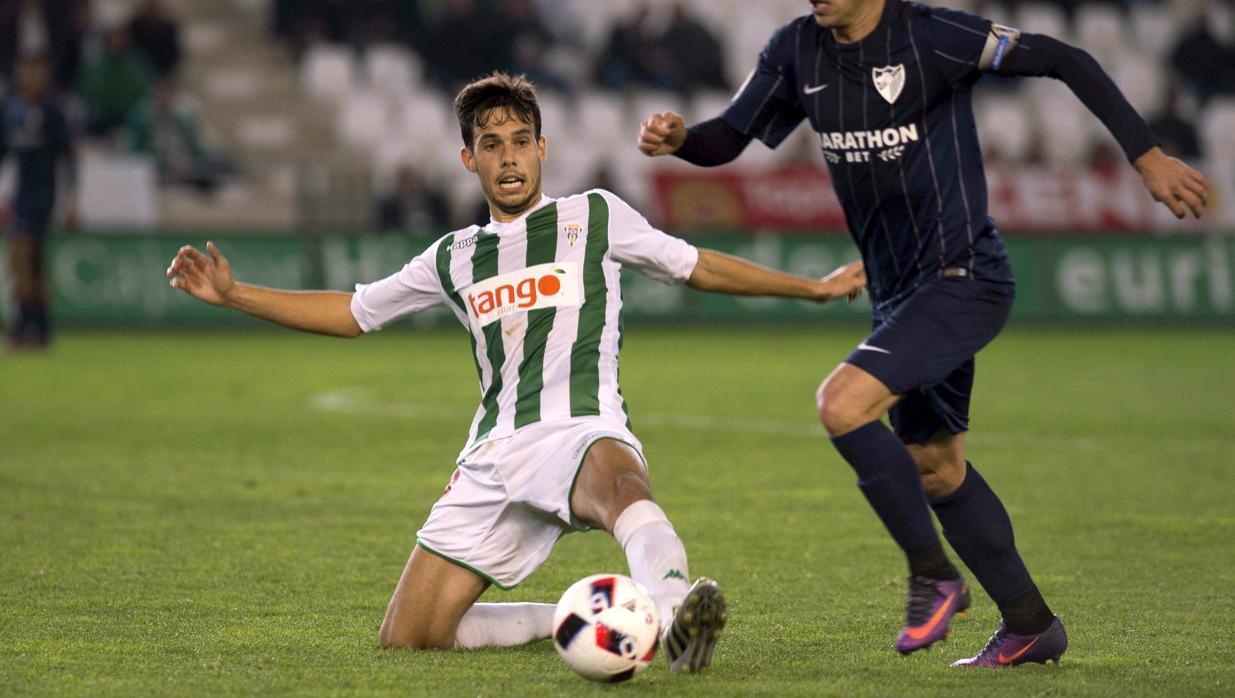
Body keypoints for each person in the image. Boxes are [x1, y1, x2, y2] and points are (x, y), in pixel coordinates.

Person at [166, 72, 867, 673]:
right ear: (468, 159)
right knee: (410, 639)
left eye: (520, 142)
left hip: (581, 425)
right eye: (491, 145)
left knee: (622, 486)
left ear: (542, 150)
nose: (508, 158)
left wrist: (810, 287)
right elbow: (352, 312)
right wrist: (234, 294)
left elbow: (698, 265)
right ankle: (569, 618)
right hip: (494, 454)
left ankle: (674, 612)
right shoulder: (452, 256)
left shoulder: (592, 217)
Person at [637, 0, 1209, 668]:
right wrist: (681, 141)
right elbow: (729, 137)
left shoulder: (933, 36)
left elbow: (1064, 57)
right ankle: (1030, 624)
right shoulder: (797, 50)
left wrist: (1145, 155)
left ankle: (932, 576)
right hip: (897, 293)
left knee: (841, 403)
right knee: (934, 468)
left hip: (963, 275)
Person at [1, 52, 75, 350]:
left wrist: (72, 197)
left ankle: (22, 328)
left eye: (36, 71)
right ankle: (40, 328)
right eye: (26, 71)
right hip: (21, 194)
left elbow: (68, 158)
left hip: (43, 195)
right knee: (31, 263)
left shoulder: (52, 112)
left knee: (22, 256)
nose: (30, 77)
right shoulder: (12, 110)